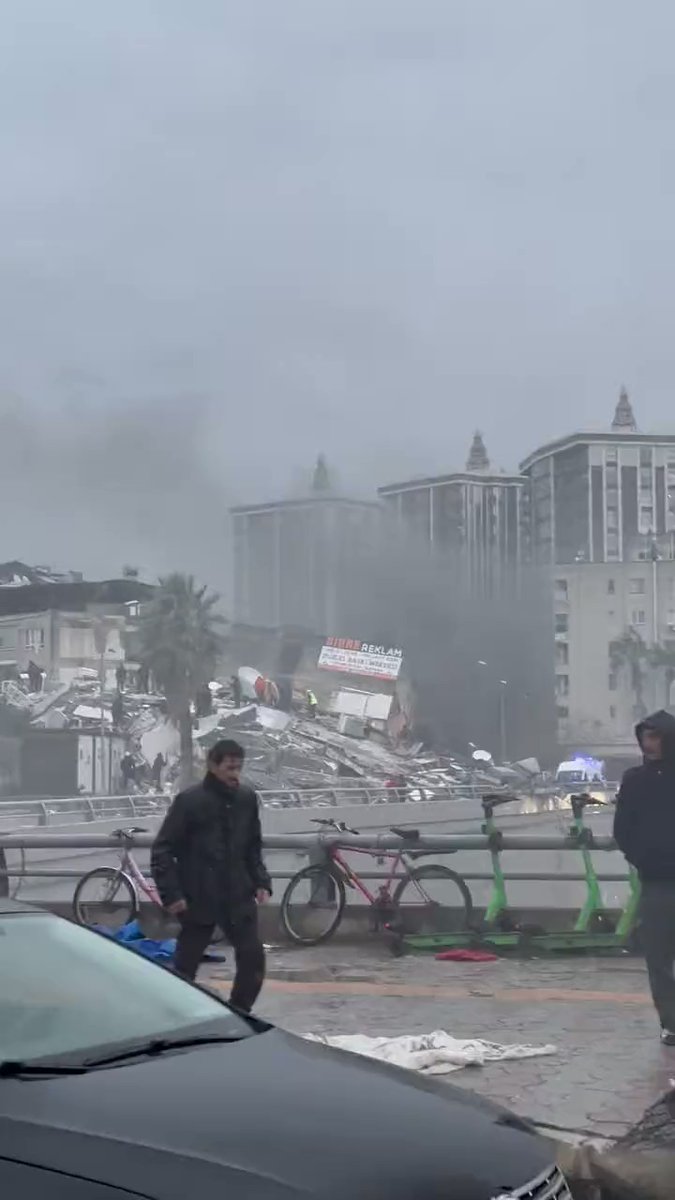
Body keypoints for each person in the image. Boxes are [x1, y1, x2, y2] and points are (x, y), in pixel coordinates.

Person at [151, 738, 271, 1011]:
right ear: (213, 766)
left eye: (239, 768)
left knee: (252, 958)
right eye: (230, 768)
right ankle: (176, 1013)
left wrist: (261, 881)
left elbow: (253, 845)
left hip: (238, 894)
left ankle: (240, 1010)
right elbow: (162, 850)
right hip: (198, 896)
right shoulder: (190, 802)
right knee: (186, 966)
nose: (235, 775)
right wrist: (173, 895)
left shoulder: (246, 799)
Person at [614, 709, 675, 1044]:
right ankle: (672, 1022)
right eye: (645, 737)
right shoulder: (635, 779)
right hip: (657, 883)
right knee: (659, 959)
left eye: (656, 737)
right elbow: (623, 828)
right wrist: (642, 858)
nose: (649, 744)